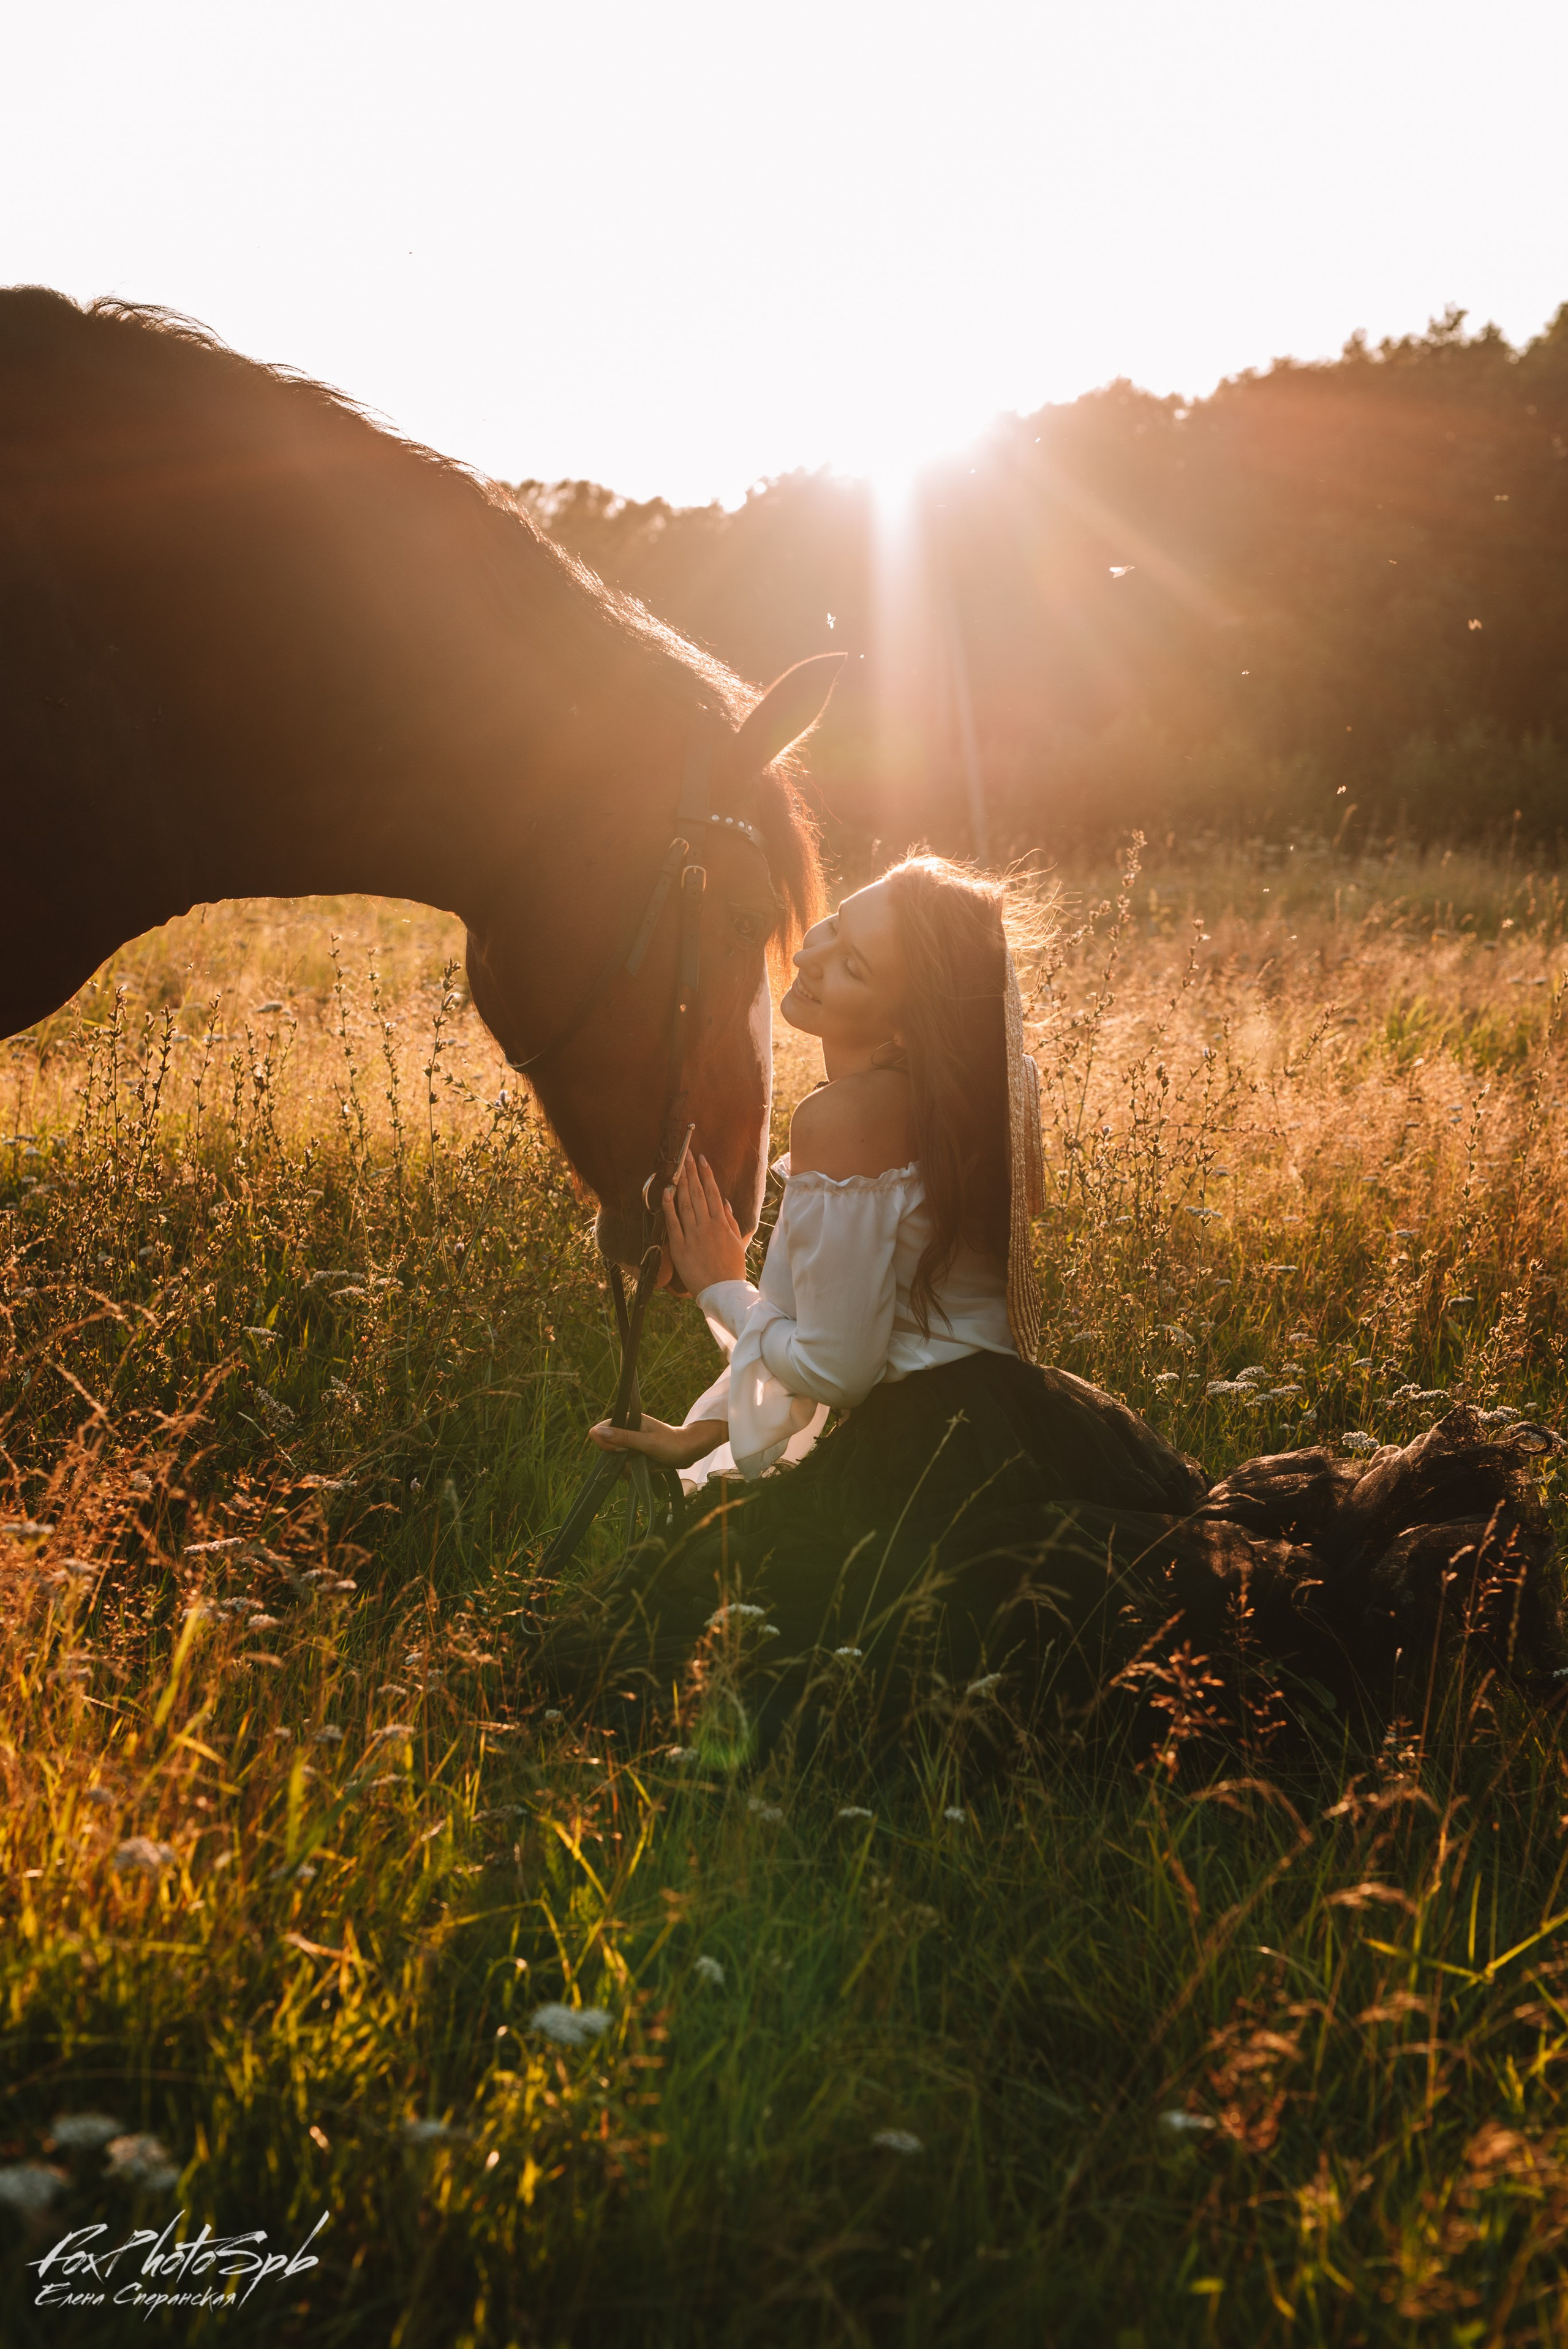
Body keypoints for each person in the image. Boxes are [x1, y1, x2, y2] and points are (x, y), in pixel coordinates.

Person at [578, 854, 1562, 1762]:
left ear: (907, 1019)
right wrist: (713, 1429)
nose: (814, 955)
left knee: (666, 1645)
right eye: (835, 925)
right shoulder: (989, 1087)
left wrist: (721, 1278)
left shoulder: (842, 1115)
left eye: (856, 966)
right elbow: (901, 1320)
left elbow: (843, 1367)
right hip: (1021, 1417)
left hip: (930, 1446)